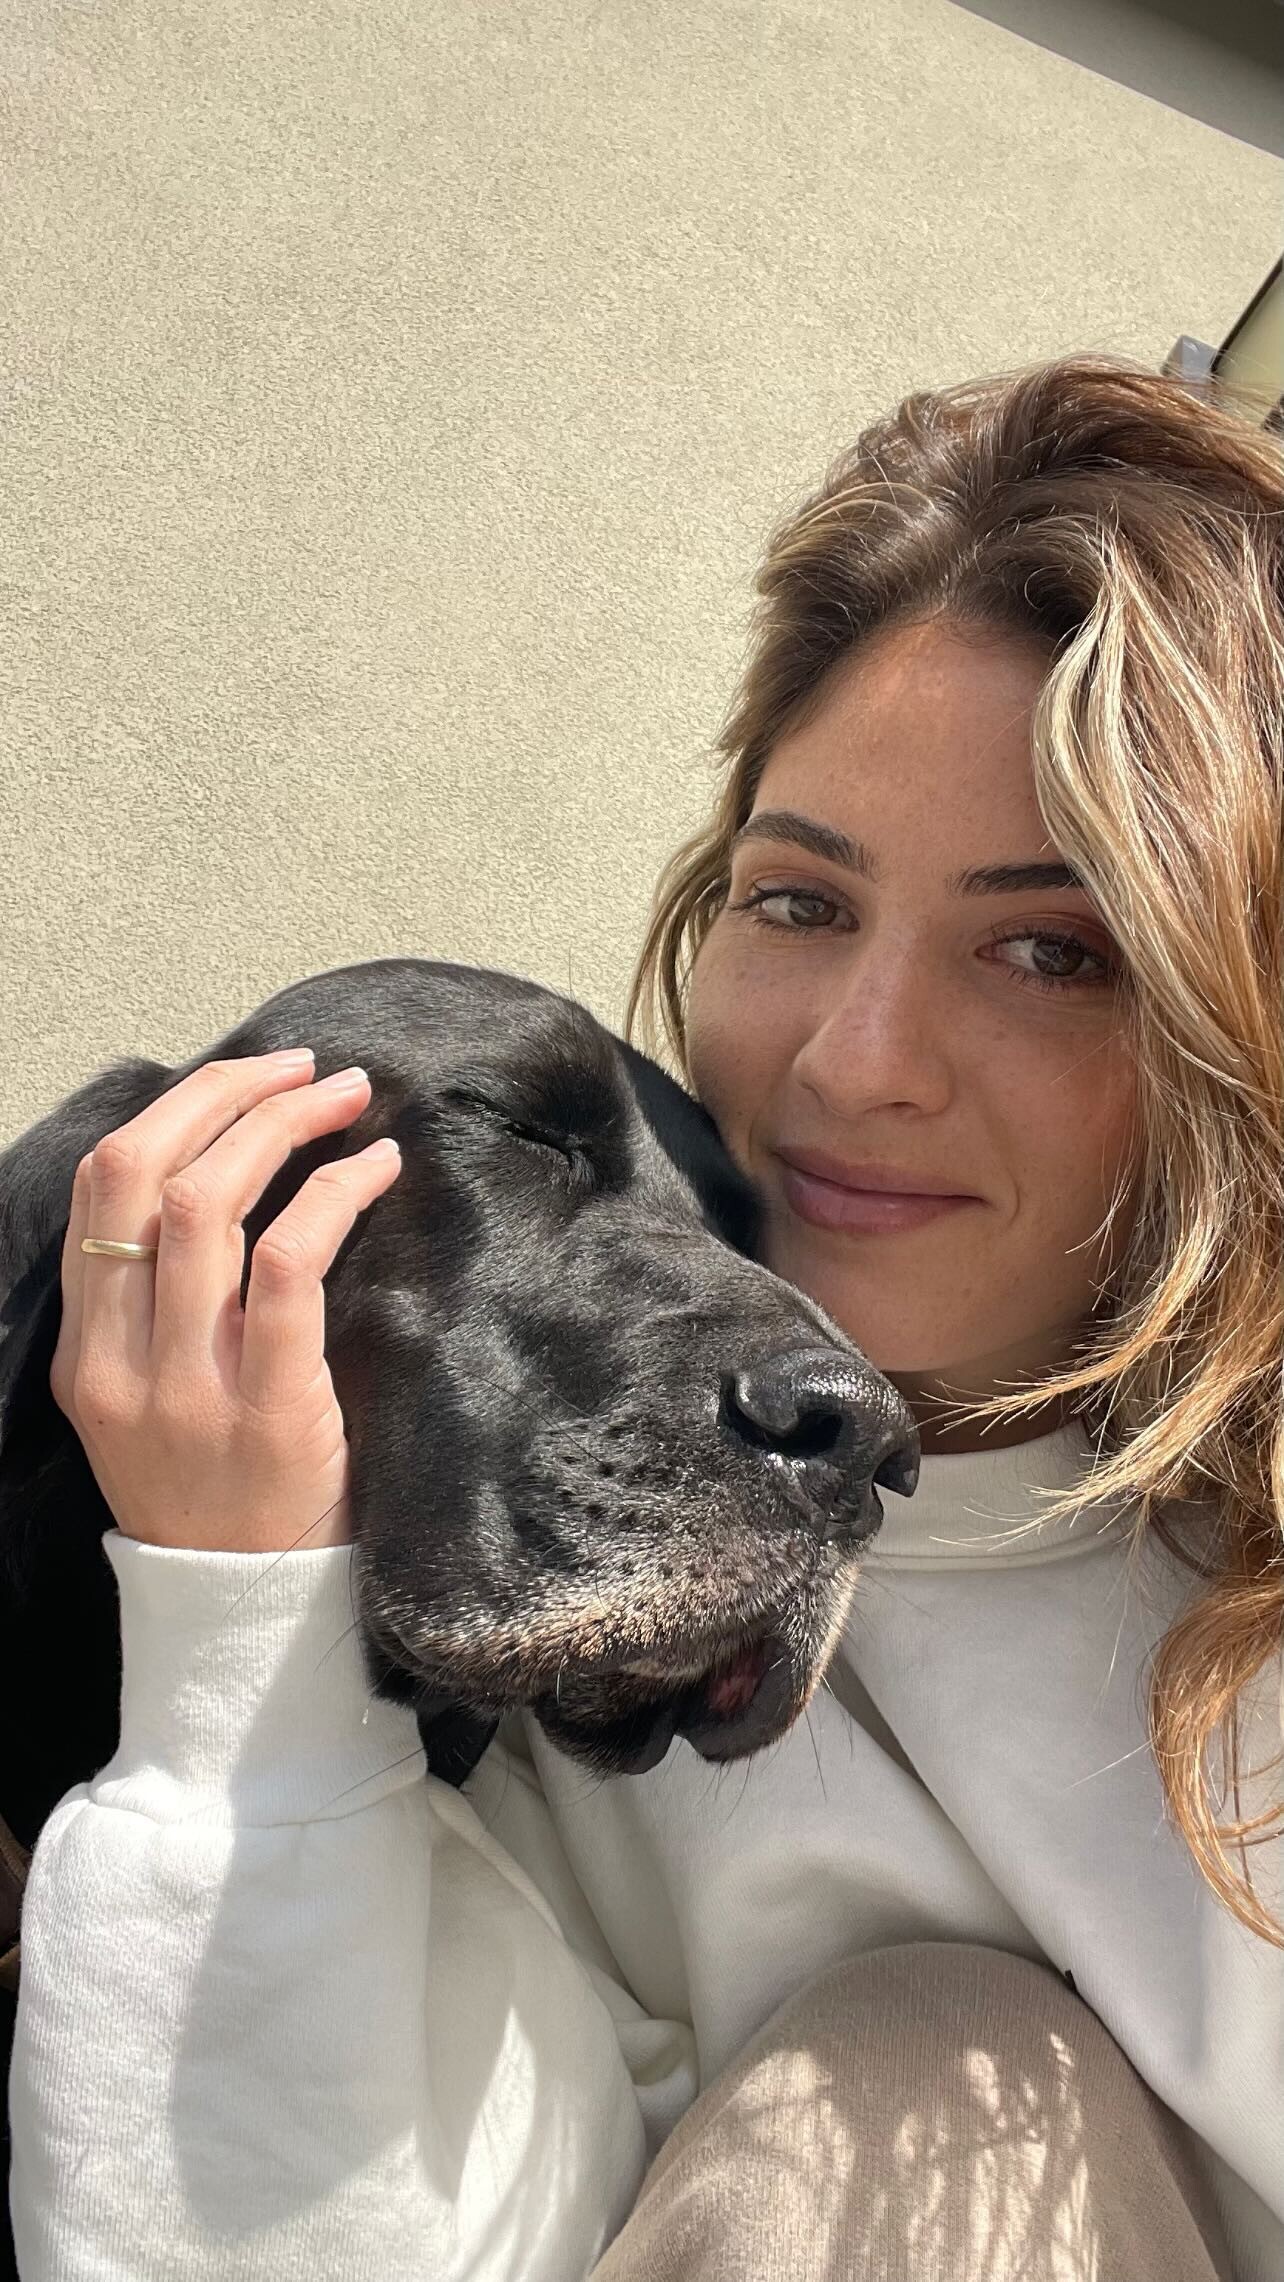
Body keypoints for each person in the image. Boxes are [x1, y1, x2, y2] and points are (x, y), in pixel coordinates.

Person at [8, 355, 1282, 2282]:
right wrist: (240, 1630)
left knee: (944, 2076)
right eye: (800, 903)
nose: (856, 1061)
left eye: (1053, 949)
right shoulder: (520, 1538)